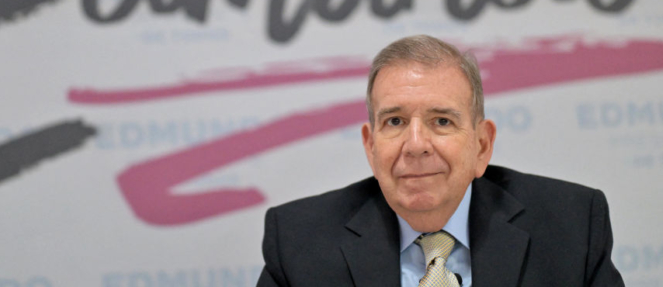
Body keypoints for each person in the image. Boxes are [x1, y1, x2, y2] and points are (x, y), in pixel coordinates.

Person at [257, 35, 625, 287]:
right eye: (395, 122)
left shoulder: (571, 227)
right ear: (370, 147)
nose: (416, 145)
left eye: (442, 121)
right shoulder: (297, 243)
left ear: (482, 145)